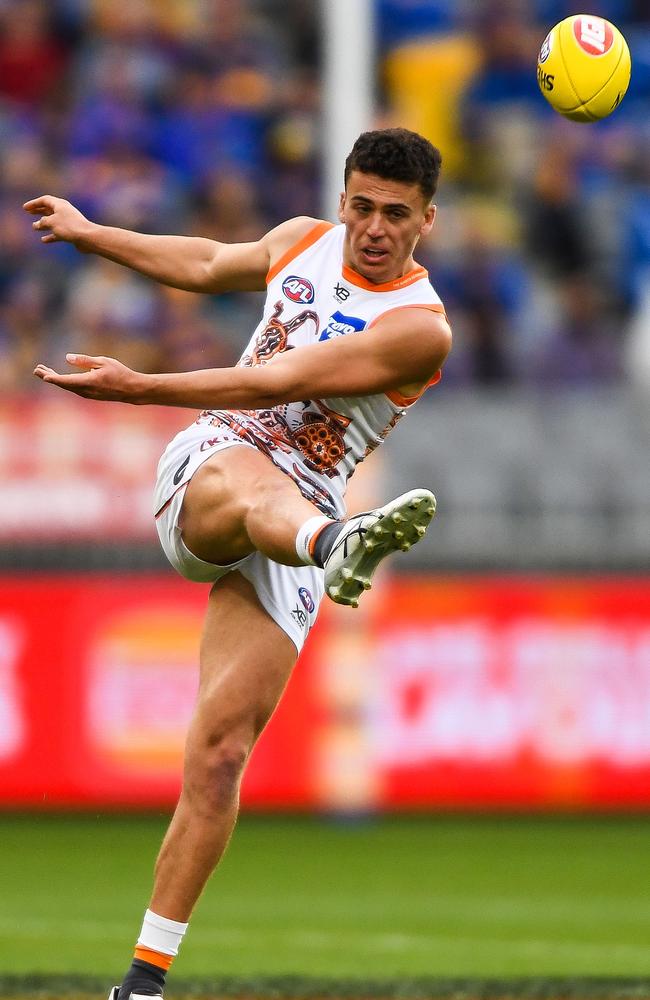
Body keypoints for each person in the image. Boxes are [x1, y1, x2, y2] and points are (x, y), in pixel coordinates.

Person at [26, 127, 452, 1000]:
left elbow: (279, 379)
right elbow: (207, 261)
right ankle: (338, 546)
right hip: (217, 468)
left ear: (427, 223)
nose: (374, 227)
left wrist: (139, 385)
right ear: (342, 200)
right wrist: (90, 231)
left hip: (296, 513)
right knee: (264, 488)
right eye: (362, 205)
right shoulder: (301, 239)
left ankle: (140, 984)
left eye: (396, 215)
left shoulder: (421, 330)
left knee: (220, 757)